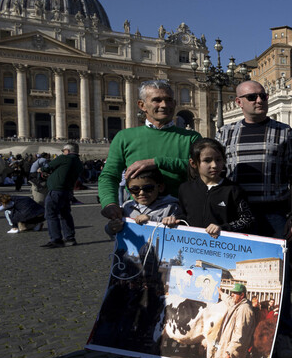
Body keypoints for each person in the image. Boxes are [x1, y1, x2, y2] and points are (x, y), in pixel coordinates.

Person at [216, 81, 292, 358]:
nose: (260, 100)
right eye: (252, 96)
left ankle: (284, 334)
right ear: (238, 101)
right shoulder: (225, 133)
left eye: (263, 95)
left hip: (274, 214)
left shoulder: (284, 131)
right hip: (238, 216)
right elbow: (216, 174)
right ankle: (241, 334)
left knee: (279, 279)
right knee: (237, 275)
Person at [166, 138, 255, 358]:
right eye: (207, 161)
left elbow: (248, 220)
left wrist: (224, 228)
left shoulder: (233, 190)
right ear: (194, 164)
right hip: (196, 270)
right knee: (200, 322)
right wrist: (175, 220)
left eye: (219, 160)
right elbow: (184, 217)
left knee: (223, 322)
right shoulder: (185, 189)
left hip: (223, 267)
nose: (214, 165)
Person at [99, 80, 200, 223]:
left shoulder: (192, 137)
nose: (164, 105)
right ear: (142, 105)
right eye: (157, 100)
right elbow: (109, 175)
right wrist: (109, 203)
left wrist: (156, 162)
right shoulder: (124, 137)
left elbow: (201, 171)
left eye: (168, 100)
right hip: (138, 216)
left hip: (181, 217)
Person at [207, 284, 257, 358]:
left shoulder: (244, 309)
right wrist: (221, 293)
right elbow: (229, 300)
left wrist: (229, 351)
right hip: (226, 343)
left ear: (242, 295)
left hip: (233, 349)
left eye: (234, 293)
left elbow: (240, 334)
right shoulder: (237, 303)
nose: (232, 295)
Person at [105, 168, 180, 236]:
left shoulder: (171, 207)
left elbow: (179, 232)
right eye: (135, 189)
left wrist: (151, 219)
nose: (141, 193)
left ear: (160, 187)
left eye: (148, 188)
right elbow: (111, 231)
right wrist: (111, 227)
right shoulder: (127, 206)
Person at [41, 143, 83, 248]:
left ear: (67, 151)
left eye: (63, 150)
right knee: (65, 214)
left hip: (56, 190)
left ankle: (56, 239)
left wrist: (43, 170)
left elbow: (47, 167)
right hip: (67, 191)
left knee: (51, 214)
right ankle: (70, 238)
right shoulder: (78, 162)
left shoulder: (64, 158)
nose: (62, 152)